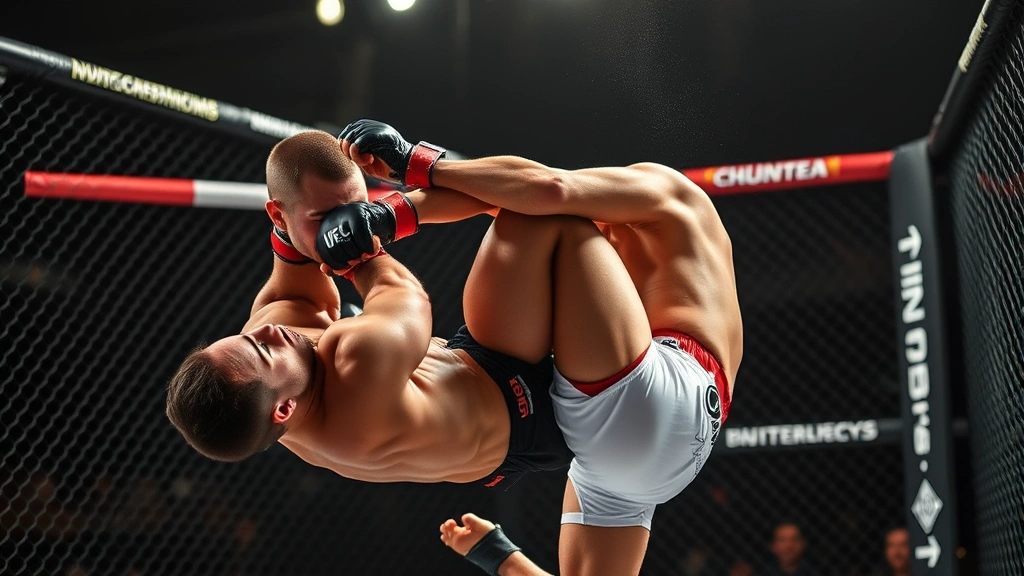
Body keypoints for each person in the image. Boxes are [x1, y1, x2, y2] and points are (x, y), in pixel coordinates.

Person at [333, 119, 742, 576]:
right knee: (529, 210)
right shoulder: (622, 237)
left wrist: (411, 165)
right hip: (671, 447)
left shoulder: (668, 189)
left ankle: (386, 348)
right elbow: (516, 193)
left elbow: (548, 190)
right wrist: (393, 211)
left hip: (660, 393)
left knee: (544, 214)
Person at [164, 130, 572, 490]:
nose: (265, 332)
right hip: (532, 418)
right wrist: (390, 205)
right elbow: (404, 293)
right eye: (263, 350)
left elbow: (295, 270)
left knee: (530, 210)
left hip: (472, 361)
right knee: (561, 214)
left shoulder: (276, 357)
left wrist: (297, 228)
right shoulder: (355, 375)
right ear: (283, 409)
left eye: (247, 336)